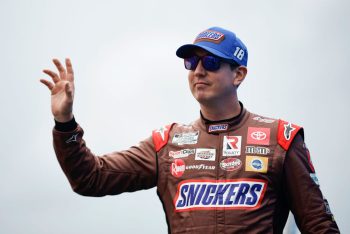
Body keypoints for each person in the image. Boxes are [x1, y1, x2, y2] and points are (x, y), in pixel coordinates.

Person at [40, 26, 340, 233]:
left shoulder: (281, 139)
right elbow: (90, 178)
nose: (198, 70)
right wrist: (64, 122)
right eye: (191, 61)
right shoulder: (167, 143)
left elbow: (319, 226)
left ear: (238, 74)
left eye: (210, 61)